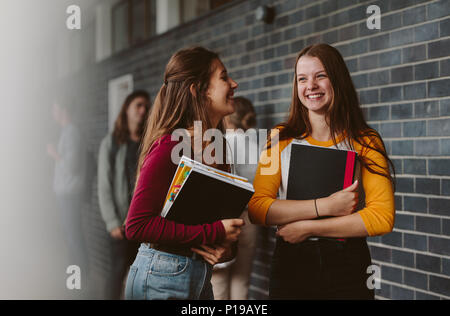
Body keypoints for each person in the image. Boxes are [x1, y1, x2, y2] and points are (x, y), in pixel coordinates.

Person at [248, 43, 395, 300]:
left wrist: (308, 227)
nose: (310, 86)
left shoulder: (366, 140)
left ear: (337, 80)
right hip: (292, 262)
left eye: (321, 76)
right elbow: (258, 209)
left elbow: (382, 217)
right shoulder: (278, 139)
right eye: (302, 79)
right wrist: (325, 206)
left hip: (348, 263)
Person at [124, 46, 245, 300]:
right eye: (224, 77)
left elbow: (210, 224)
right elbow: (136, 225)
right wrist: (214, 233)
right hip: (159, 277)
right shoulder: (170, 146)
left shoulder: (218, 147)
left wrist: (226, 249)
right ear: (198, 90)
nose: (234, 83)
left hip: (199, 276)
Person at [97, 90, 150, 299]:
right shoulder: (111, 143)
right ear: (126, 108)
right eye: (138, 105)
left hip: (144, 222)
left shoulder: (149, 142)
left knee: (141, 277)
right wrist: (111, 222)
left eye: (146, 106)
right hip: (120, 223)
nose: (143, 110)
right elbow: (104, 185)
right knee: (117, 273)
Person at [211, 96, 259, 300]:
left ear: (228, 118)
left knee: (218, 283)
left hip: (227, 220)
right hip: (251, 219)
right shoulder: (257, 145)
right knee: (242, 280)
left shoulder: (223, 144)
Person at [47, 98, 89, 296]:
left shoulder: (72, 132)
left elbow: (71, 166)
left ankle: (78, 285)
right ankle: (75, 283)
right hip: (66, 195)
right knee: (72, 239)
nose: (53, 113)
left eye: (54, 109)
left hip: (70, 195)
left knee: (74, 240)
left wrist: (54, 153)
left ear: (63, 109)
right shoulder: (68, 131)